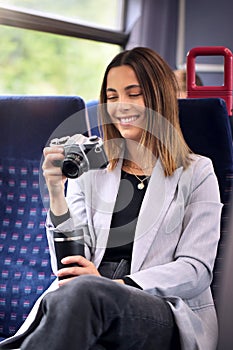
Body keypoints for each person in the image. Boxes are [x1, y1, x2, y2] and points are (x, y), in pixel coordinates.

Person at [0, 47, 222, 350]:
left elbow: (196, 270)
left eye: (134, 94)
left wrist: (113, 286)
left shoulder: (197, 172)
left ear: (159, 99)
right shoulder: (90, 168)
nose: (121, 106)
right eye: (113, 96)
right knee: (79, 294)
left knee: (85, 293)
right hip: (86, 302)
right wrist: (56, 191)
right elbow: (69, 264)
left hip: (162, 308)